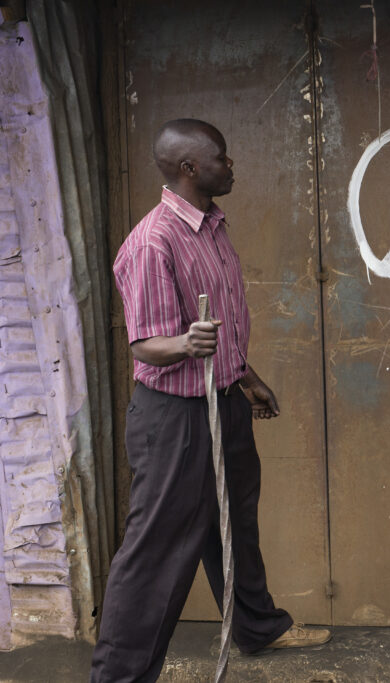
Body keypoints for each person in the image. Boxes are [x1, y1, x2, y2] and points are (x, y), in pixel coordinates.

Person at [91, 119, 330, 682]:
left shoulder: (212, 227)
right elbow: (147, 345)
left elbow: (218, 324)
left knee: (233, 522)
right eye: (221, 158)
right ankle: (119, 675)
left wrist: (244, 376)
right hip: (176, 417)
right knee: (156, 551)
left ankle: (255, 628)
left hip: (223, 400)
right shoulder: (152, 241)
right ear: (190, 169)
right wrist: (183, 343)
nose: (231, 166)